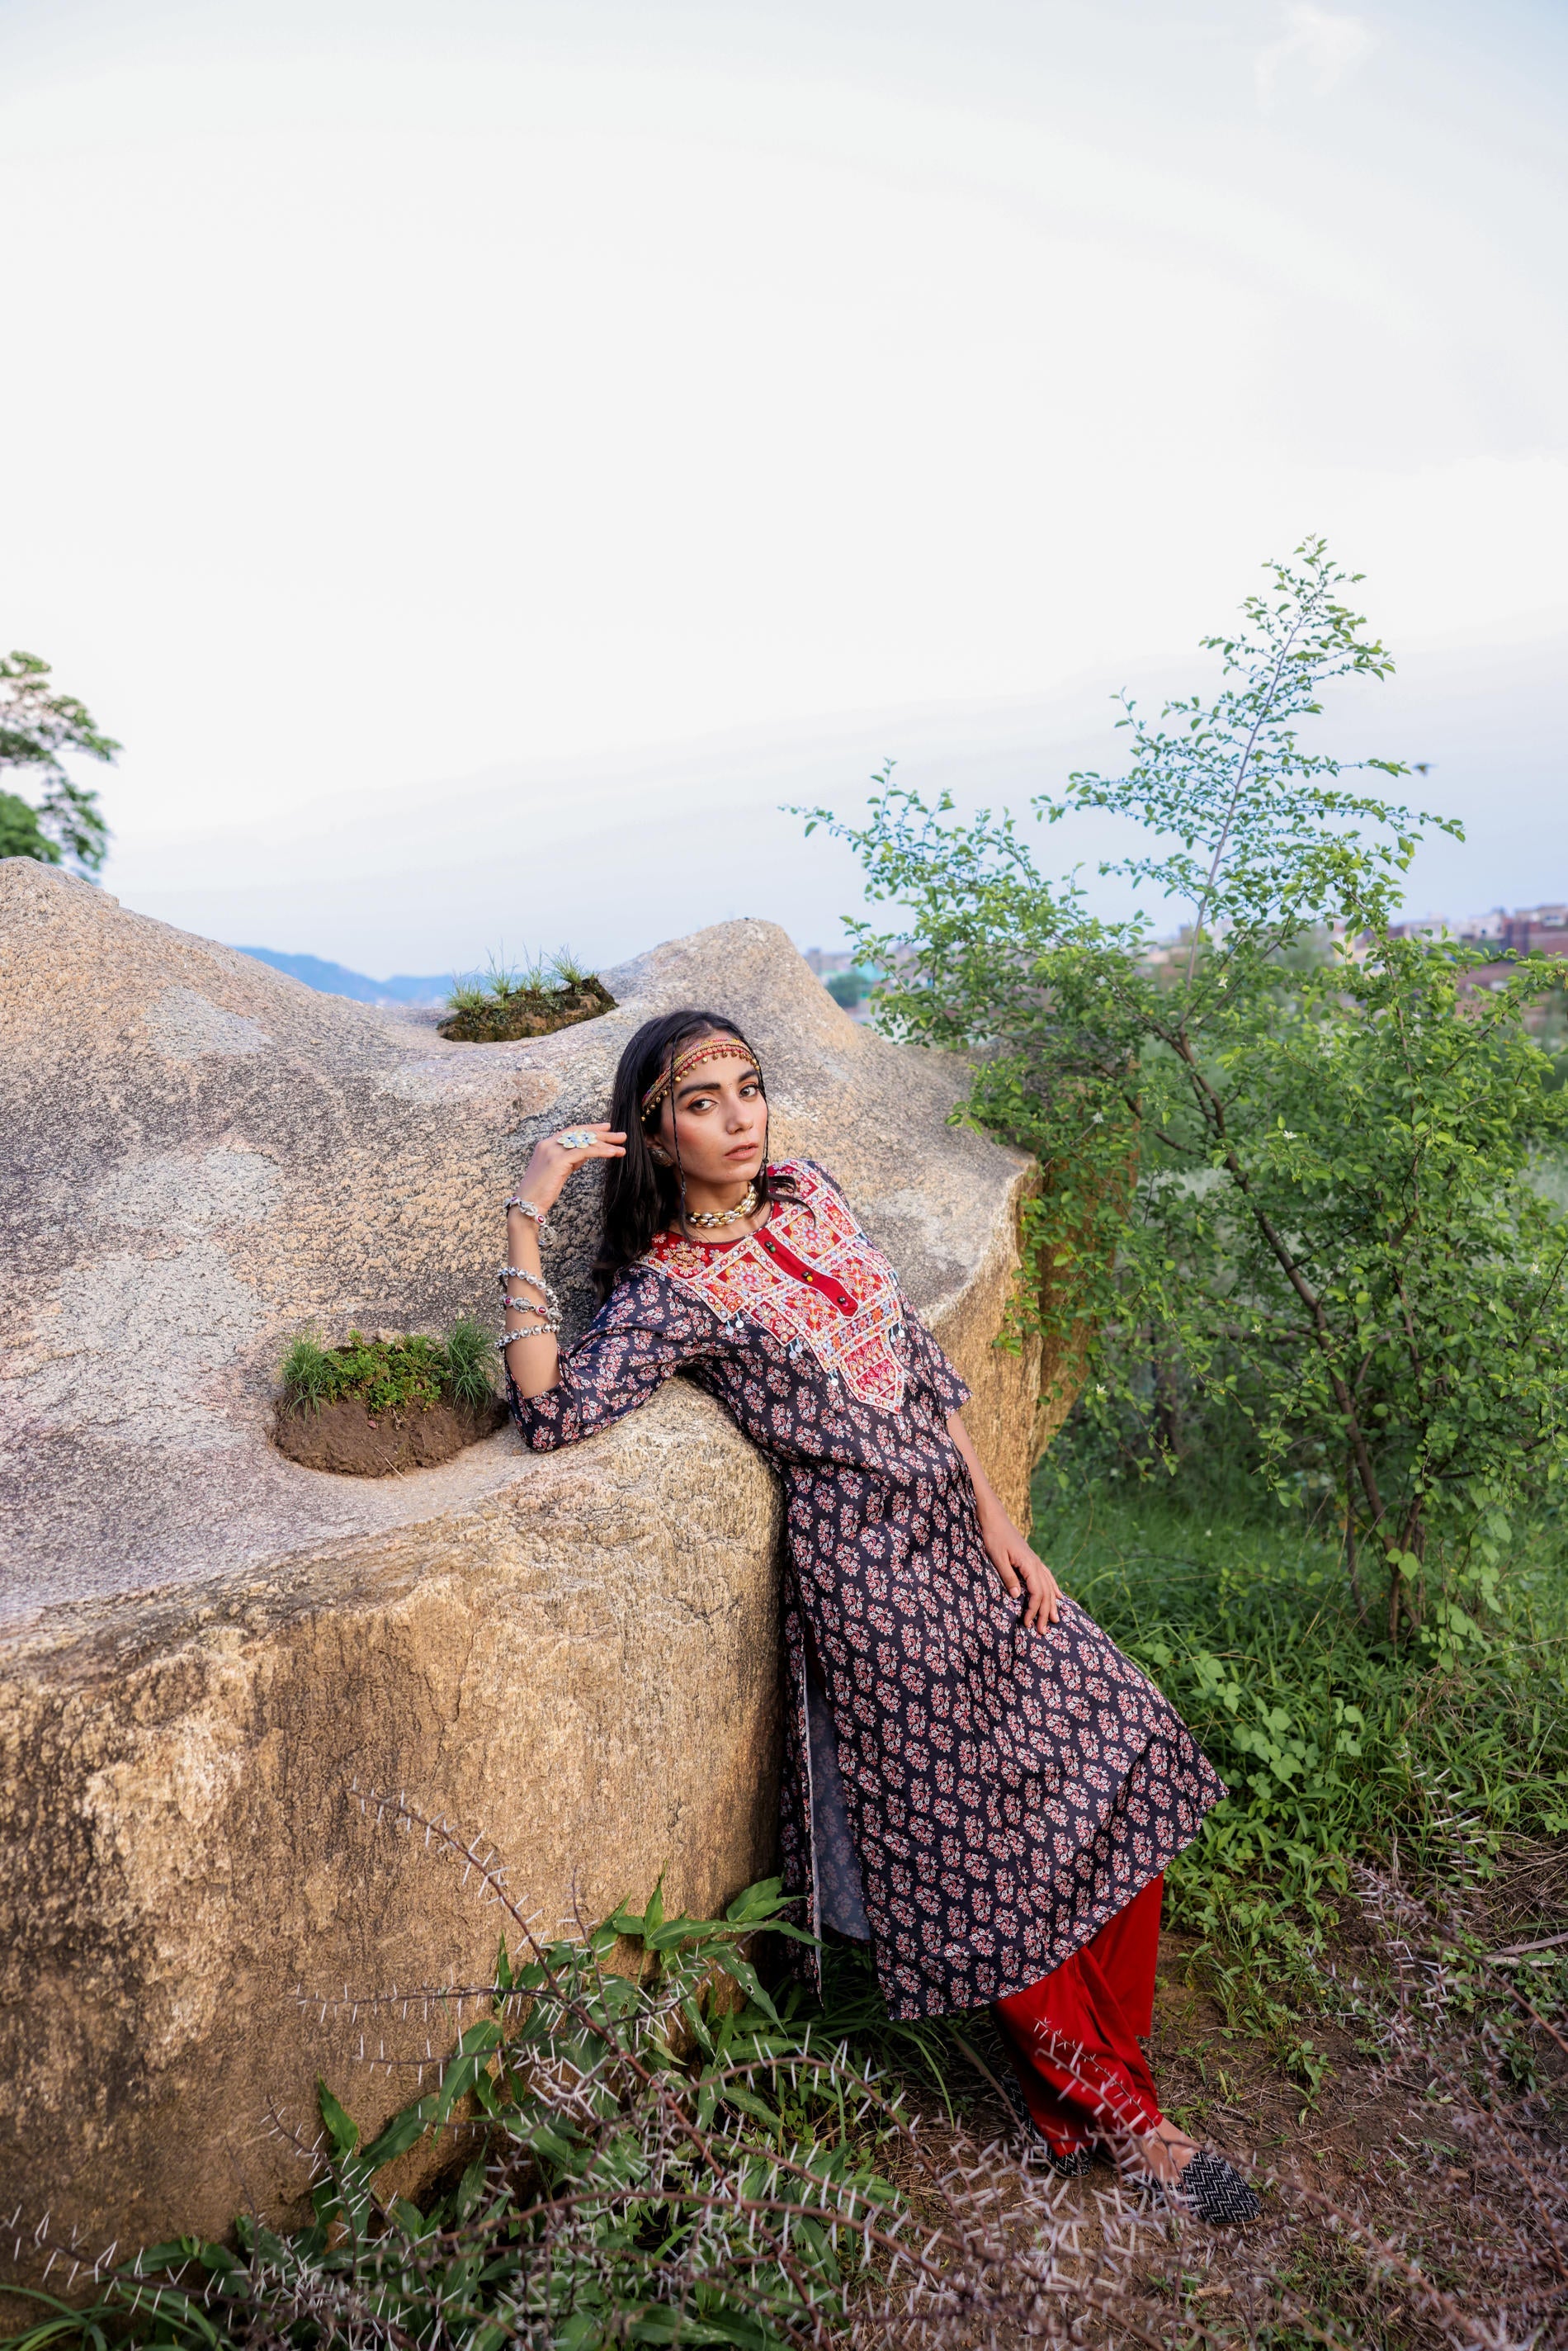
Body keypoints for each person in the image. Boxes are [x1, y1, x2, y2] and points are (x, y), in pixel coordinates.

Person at [497, 1008, 1258, 2224]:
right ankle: (1131, 2126)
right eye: (703, 1102)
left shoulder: (809, 1193)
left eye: (749, 1088)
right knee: (984, 1867)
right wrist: (530, 1210)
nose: (741, 1119)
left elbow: (907, 1351)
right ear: (655, 1128)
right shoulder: (670, 1290)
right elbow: (549, 1413)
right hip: (871, 1589)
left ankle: (1094, 2094)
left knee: (1125, 1753)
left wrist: (999, 1516)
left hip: (961, 1538)